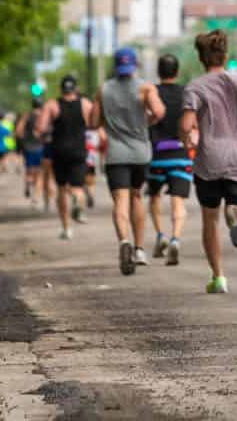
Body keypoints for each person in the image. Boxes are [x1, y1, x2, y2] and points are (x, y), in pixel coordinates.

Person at [180, 32, 237, 293]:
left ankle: (218, 276)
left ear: (201, 58)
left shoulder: (196, 87)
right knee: (236, 204)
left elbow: (187, 125)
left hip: (209, 159)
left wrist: (186, 138)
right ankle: (236, 214)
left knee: (210, 219)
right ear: (226, 55)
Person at [90, 47, 166, 276]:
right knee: (136, 197)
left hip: (115, 154)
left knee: (120, 201)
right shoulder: (146, 88)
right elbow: (160, 112)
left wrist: (107, 120)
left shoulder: (103, 90)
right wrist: (146, 122)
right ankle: (140, 249)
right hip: (141, 153)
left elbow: (93, 121)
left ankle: (124, 241)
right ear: (135, 65)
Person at [147, 53, 192, 266]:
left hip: (157, 155)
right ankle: (175, 238)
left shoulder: (152, 93)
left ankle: (160, 235)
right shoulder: (187, 93)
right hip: (181, 155)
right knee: (178, 201)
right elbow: (193, 124)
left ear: (159, 71)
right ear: (177, 71)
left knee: (154, 197)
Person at [36, 76, 93, 240]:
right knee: (78, 187)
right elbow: (94, 123)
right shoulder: (85, 104)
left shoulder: (52, 105)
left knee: (61, 188)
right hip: (79, 150)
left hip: (59, 150)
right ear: (75, 88)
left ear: (61, 89)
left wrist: (42, 134)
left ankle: (66, 228)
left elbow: (41, 127)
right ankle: (78, 203)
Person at [16, 97, 46, 205]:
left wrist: (23, 139)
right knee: (39, 173)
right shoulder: (43, 116)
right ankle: (35, 197)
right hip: (41, 147)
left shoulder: (27, 116)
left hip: (28, 146)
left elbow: (18, 131)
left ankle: (28, 182)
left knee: (29, 169)